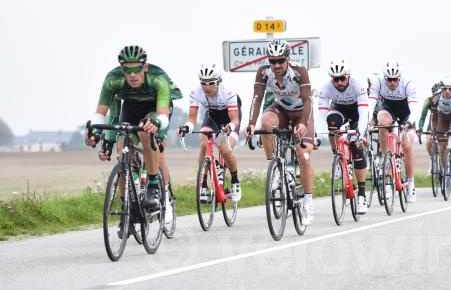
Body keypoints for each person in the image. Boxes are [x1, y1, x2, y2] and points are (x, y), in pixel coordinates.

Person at [87, 45, 181, 211]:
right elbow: (101, 113)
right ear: (121, 69)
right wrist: (95, 134)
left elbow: (163, 116)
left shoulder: (158, 78)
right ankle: (127, 208)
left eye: (137, 69)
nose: (132, 74)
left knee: (146, 135)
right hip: (131, 108)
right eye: (127, 70)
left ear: (144, 67)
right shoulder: (113, 79)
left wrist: (157, 124)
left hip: (156, 110)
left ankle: (155, 188)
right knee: (122, 152)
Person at [244, 39, 316, 225]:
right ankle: (275, 169)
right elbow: (257, 98)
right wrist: (251, 124)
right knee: (266, 123)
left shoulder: (299, 72)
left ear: (288, 59)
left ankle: (308, 201)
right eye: (272, 61)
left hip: (302, 111)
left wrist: (303, 123)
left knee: (303, 154)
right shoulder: (263, 72)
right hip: (281, 109)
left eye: (280, 60)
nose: (276, 65)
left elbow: (308, 100)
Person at [178, 64, 242, 202]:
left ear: (219, 81)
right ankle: (203, 184)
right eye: (203, 83)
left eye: (211, 83)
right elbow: (192, 119)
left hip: (229, 119)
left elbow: (235, 120)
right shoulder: (196, 93)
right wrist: (186, 127)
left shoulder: (229, 93)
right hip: (212, 117)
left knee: (225, 149)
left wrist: (229, 127)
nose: (207, 87)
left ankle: (235, 182)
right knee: (203, 141)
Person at [318, 58, 370, 214]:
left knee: (357, 148)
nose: (339, 82)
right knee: (332, 122)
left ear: (348, 76)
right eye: (335, 79)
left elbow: (363, 113)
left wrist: (360, 134)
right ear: (331, 79)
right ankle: (338, 157)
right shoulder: (326, 88)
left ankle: (361, 194)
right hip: (339, 109)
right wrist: (319, 137)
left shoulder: (358, 85)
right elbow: (321, 114)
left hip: (356, 114)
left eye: (342, 78)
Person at [369, 60, 419, 202]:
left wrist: (408, 123)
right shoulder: (378, 82)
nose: (392, 83)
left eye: (395, 79)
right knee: (383, 123)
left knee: (406, 144)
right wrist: (367, 123)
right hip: (388, 108)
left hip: (406, 113)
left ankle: (410, 183)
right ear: (385, 78)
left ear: (399, 78)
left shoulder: (408, 83)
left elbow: (414, 108)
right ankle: (386, 159)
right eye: (389, 80)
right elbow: (370, 104)